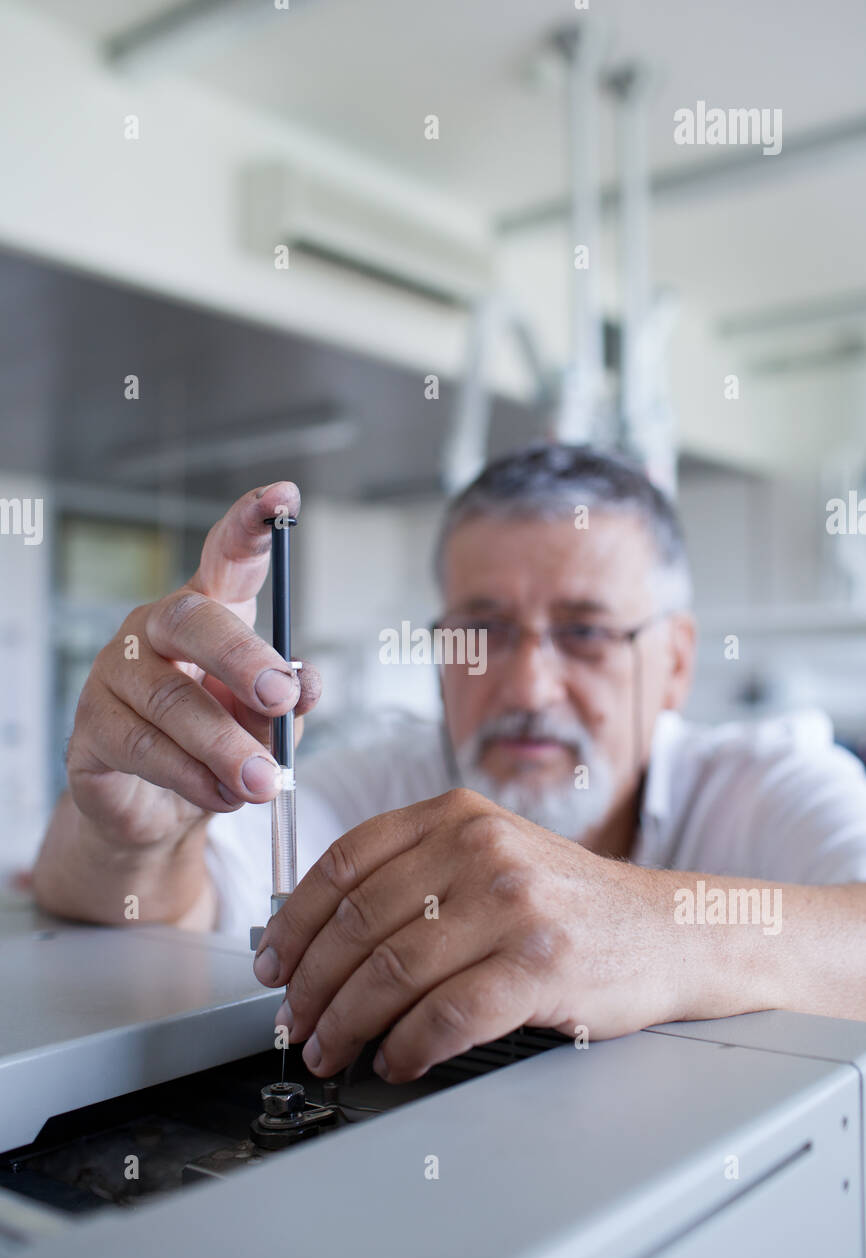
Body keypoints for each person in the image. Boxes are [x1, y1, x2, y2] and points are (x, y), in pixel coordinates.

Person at [33, 447, 866, 1085]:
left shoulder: (768, 784)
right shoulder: (371, 792)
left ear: (677, 662)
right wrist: (133, 839)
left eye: (585, 632)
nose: (529, 684)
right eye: (485, 631)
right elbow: (179, 906)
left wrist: (645, 921)